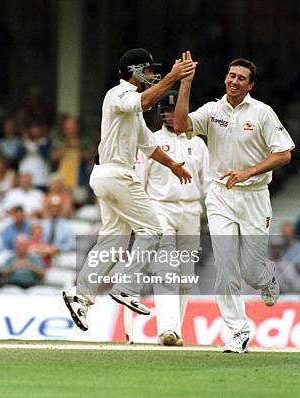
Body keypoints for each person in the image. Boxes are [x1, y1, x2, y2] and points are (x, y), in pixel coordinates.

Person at [62, 48, 195, 332]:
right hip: (116, 174)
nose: (151, 75)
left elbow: (149, 146)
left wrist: (173, 165)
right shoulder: (118, 94)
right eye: (147, 70)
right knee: (153, 231)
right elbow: (145, 101)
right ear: (133, 71)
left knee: (113, 241)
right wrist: (173, 76)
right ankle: (127, 287)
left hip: (107, 176)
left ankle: (80, 295)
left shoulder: (134, 112)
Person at [174, 53, 295, 353]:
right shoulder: (213, 110)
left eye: (241, 78)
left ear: (250, 85)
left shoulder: (263, 113)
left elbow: (284, 154)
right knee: (225, 267)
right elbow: (180, 126)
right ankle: (238, 331)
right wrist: (185, 83)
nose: (234, 81)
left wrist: (247, 172)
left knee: (251, 271)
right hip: (220, 196)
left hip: (253, 196)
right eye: (231, 76)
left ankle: (266, 279)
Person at [134, 90, 209, 346]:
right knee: (166, 270)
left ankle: (175, 331)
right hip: (160, 209)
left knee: (185, 276)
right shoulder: (151, 142)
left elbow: (207, 182)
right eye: (165, 110)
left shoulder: (198, 143)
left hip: (190, 210)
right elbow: (138, 183)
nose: (170, 114)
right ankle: (167, 329)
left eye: (174, 109)